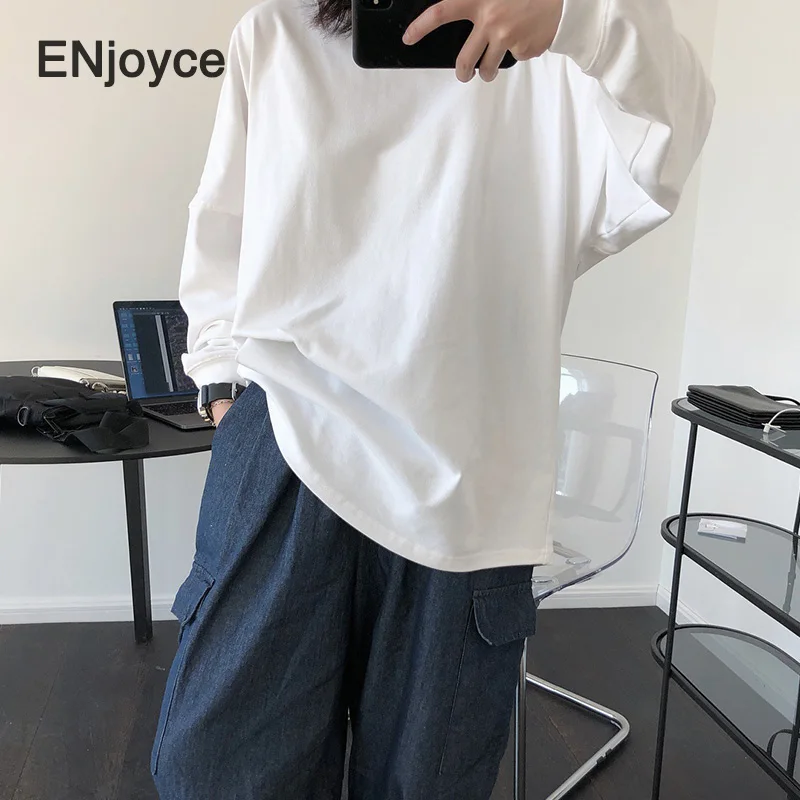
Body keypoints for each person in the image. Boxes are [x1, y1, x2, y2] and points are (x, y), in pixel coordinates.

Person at [151, 0, 714, 797]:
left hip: (468, 482)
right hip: (287, 448)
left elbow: (673, 134)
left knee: (427, 785)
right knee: (220, 775)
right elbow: (222, 230)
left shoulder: (560, 60)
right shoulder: (277, 31)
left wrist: (573, 16)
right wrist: (223, 387)